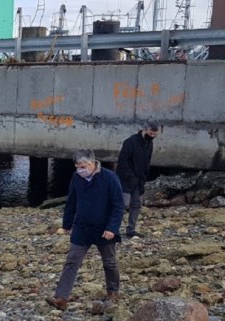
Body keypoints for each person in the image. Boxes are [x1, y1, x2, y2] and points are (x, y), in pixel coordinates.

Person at [45, 149, 124, 311]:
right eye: (77, 167)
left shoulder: (109, 177)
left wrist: (112, 228)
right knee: (72, 261)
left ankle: (113, 291)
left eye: (83, 166)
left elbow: (118, 205)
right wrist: (66, 225)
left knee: (109, 262)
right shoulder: (76, 178)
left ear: (93, 162)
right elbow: (71, 202)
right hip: (81, 227)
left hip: (104, 228)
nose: (80, 170)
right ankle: (61, 298)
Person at [116, 120, 160, 238]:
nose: (153, 137)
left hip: (139, 180)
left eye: (155, 135)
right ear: (144, 130)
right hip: (125, 179)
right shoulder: (130, 142)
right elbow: (122, 162)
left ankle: (131, 229)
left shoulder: (149, 144)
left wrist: (143, 179)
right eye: (151, 134)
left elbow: (147, 162)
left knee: (136, 204)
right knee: (122, 204)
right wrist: (130, 177)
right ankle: (113, 229)